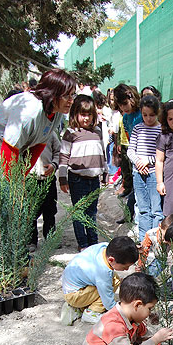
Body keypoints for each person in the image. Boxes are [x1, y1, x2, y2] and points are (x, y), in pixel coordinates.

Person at [0, 68, 76, 175]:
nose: (71, 101)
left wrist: (23, 175)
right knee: (1, 186)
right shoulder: (30, 111)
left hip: (8, 147)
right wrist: (15, 185)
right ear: (52, 94)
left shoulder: (57, 112)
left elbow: (38, 146)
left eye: (73, 95)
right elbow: (9, 149)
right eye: (66, 96)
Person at [59, 95, 107, 251]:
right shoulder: (71, 132)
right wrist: (62, 177)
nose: (86, 118)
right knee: (79, 212)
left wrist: (105, 171)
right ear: (75, 114)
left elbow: (101, 153)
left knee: (92, 212)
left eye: (89, 114)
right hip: (77, 179)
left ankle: (93, 242)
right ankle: (83, 243)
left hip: (94, 179)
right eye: (82, 114)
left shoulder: (97, 131)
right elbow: (64, 156)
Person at [61, 236, 138, 325]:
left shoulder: (105, 247)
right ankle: (91, 313)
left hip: (71, 286)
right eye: (125, 267)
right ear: (111, 259)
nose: (126, 269)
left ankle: (80, 307)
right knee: (112, 283)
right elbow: (108, 302)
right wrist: (123, 315)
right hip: (73, 295)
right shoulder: (103, 273)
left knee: (113, 278)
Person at [128, 94, 162, 241]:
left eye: (152, 115)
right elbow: (130, 150)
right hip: (138, 173)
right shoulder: (137, 128)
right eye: (145, 115)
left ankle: (155, 240)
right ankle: (144, 241)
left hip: (154, 173)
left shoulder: (160, 130)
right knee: (143, 209)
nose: (148, 118)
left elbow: (162, 154)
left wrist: (148, 161)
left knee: (156, 210)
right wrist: (137, 162)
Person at [29, 132, 61, 251]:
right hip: (29, 179)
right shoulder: (26, 132)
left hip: (48, 178)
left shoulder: (50, 133)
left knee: (50, 210)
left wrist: (54, 164)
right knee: (30, 212)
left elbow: (58, 151)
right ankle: (31, 241)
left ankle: (50, 238)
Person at [113, 84, 141, 200]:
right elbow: (130, 138)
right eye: (120, 105)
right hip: (135, 156)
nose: (123, 108)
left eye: (125, 104)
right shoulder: (125, 118)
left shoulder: (142, 113)